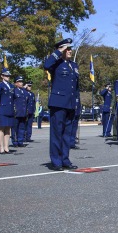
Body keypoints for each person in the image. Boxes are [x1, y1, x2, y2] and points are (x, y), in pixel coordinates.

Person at [43, 38, 79, 170]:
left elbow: (75, 87)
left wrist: (77, 103)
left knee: (67, 134)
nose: (69, 51)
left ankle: (65, 159)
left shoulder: (74, 65)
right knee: (57, 133)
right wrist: (59, 51)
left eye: (70, 48)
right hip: (58, 103)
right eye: (67, 49)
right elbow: (46, 65)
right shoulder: (56, 63)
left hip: (70, 103)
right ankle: (56, 161)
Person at [0, 69, 14, 154]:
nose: (7, 77)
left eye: (8, 76)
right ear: (2, 76)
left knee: (8, 128)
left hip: (10, 108)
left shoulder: (11, 86)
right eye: (6, 75)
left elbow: (13, 96)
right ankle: (1, 147)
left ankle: (6, 147)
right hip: (2, 108)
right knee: (1, 128)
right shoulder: (0, 85)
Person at [12, 76, 28, 147]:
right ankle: (15, 141)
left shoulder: (24, 92)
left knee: (22, 128)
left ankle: (20, 141)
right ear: (15, 83)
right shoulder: (14, 91)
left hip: (23, 112)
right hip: (16, 112)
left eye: (22, 82)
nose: (21, 83)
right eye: (19, 82)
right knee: (15, 128)